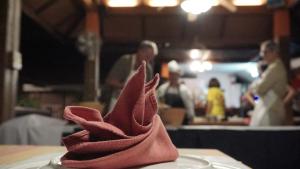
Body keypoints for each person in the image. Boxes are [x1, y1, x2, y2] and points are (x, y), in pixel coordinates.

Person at [104, 40, 158, 112]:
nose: (149, 59)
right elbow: (110, 81)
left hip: (135, 105)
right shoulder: (125, 61)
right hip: (118, 100)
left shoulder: (148, 69)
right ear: (140, 51)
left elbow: (148, 89)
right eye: (147, 56)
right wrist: (127, 87)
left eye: (151, 57)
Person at [249, 40, 288, 126]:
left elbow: (259, 89)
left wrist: (254, 86)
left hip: (270, 109)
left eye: (265, 52)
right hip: (268, 107)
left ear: (274, 52)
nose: (262, 56)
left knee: (267, 137)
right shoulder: (274, 67)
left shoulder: (275, 68)